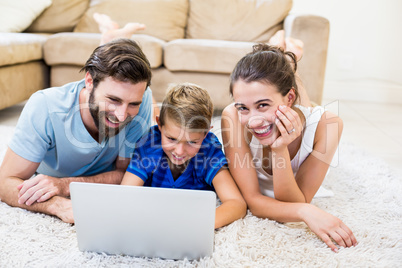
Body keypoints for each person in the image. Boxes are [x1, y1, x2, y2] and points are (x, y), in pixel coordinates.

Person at [221, 39, 358, 251]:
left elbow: (298, 199)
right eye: (243, 107)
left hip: (299, 109)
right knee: (279, 110)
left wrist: (279, 148)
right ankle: (286, 55)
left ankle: (288, 56)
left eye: (262, 105)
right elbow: (254, 201)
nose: (254, 120)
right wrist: (307, 212)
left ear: (289, 97)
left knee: (303, 110)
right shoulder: (231, 116)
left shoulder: (329, 125)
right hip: (286, 103)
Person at [0, 37, 153, 223]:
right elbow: (5, 182)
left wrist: (65, 185)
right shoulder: (45, 107)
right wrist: (57, 205)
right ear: (89, 80)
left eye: (132, 104)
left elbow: (126, 174)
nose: (122, 116)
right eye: (113, 100)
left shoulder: (141, 99)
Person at [121, 83, 247, 229]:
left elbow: (237, 204)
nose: (179, 151)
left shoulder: (209, 150)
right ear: (159, 125)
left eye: (192, 142)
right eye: (171, 139)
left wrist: (196, 225)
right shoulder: (150, 143)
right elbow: (126, 195)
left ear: (205, 133)